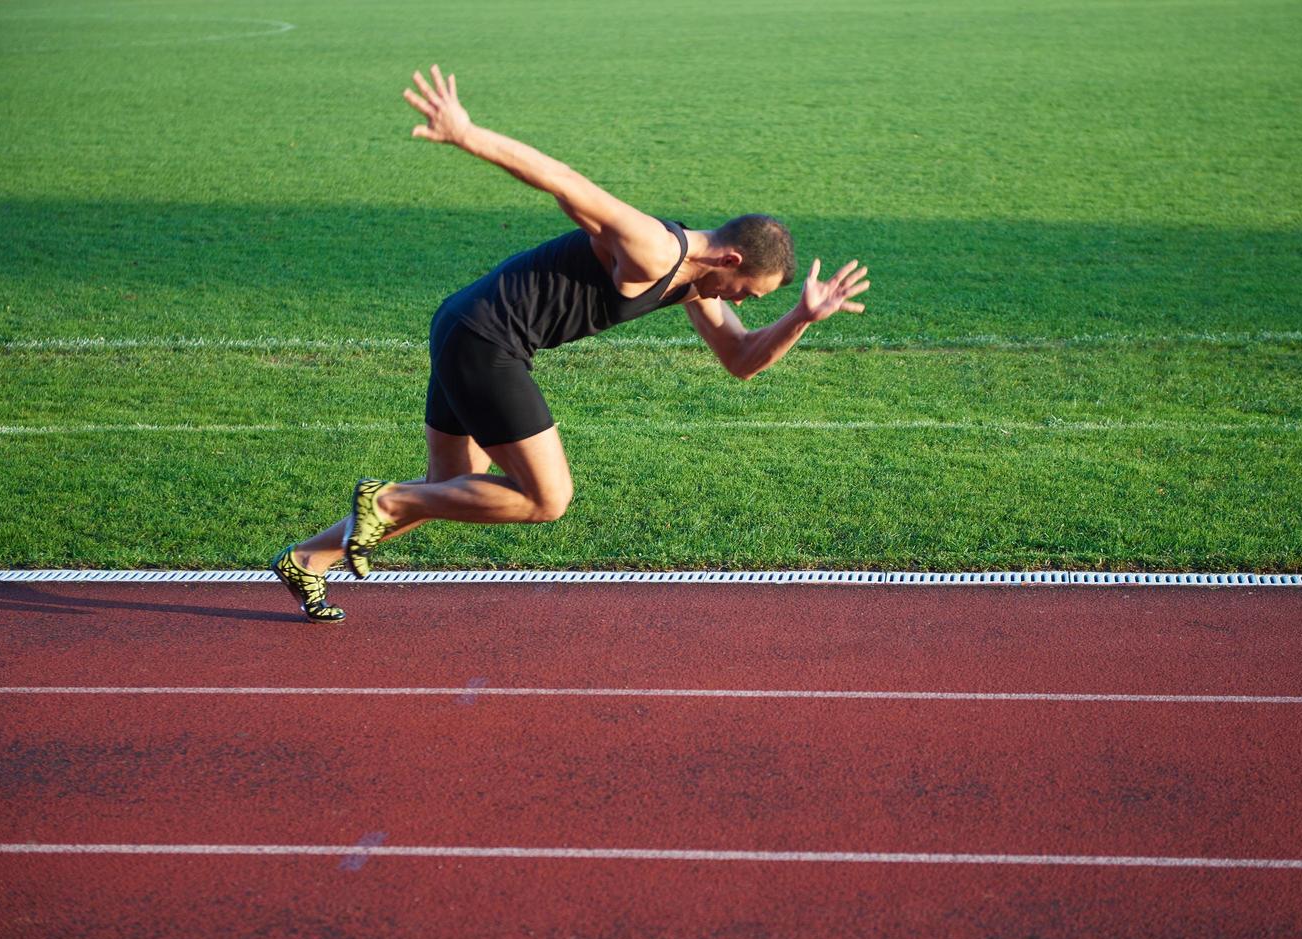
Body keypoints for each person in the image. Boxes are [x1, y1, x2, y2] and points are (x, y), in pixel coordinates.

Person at [270, 64, 872, 622]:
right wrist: (466, 133)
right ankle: (389, 501)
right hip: (489, 340)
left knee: (450, 488)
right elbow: (564, 181)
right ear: (732, 259)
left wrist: (800, 318)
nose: (742, 301)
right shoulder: (653, 248)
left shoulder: (699, 285)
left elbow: (740, 361)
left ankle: (308, 559)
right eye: (748, 291)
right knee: (545, 498)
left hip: (462, 324)